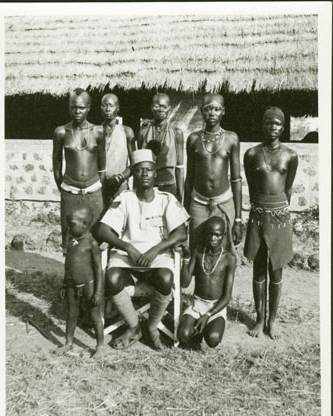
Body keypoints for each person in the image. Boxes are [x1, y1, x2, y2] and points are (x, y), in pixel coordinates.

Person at [97, 149, 189, 350]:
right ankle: (134, 326)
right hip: (128, 256)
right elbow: (103, 230)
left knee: (166, 278)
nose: (145, 174)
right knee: (112, 278)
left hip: (157, 256)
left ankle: (152, 325)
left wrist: (156, 249)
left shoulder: (166, 199)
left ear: (155, 174)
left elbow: (181, 233)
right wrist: (127, 246)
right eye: (139, 170)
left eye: (149, 170)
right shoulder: (126, 198)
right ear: (134, 175)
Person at [244, 106, 298, 339]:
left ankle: (272, 321)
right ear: (262, 125)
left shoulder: (290, 155)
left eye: (276, 124)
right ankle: (258, 319)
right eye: (268, 123)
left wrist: (278, 210)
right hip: (258, 213)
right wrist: (261, 208)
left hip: (279, 216)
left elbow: (287, 188)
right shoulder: (252, 154)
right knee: (258, 267)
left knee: (276, 270)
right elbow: (251, 183)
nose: (272, 127)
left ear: (283, 128)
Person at [184, 93, 242, 252]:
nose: (212, 113)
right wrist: (185, 214)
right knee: (196, 250)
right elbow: (189, 179)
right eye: (208, 109)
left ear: (223, 111)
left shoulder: (231, 138)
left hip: (223, 203)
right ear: (201, 111)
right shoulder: (193, 139)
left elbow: (236, 180)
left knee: (223, 252)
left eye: (217, 109)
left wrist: (237, 219)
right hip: (198, 203)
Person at [52, 88, 105, 252]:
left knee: (95, 236)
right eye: (73, 107)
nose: (77, 111)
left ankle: (93, 276)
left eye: (81, 107)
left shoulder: (98, 132)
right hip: (70, 190)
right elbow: (56, 161)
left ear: (89, 107)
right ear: (69, 107)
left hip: (93, 190)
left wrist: (96, 186)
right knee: (69, 237)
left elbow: (102, 165)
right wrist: (63, 186)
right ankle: (71, 275)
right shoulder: (61, 132)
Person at [178, 217, 236, 349]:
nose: (213, 238)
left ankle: (206, 327)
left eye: (217, 234)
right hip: (197, 304)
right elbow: (185, 283)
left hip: (216, 307)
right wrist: (186, 258)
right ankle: (198, 329)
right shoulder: (198, 252)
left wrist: (208, 315)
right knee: (183, 335)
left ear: (223, 235)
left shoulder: (229, 259)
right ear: (205, 234)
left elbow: (227, 297)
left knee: (213, 339)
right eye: (210, 234)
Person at [56, 205, 105, 359]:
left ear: (85, 224)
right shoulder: (71, 239)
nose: (69, 227)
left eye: (72, 224)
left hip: (88, 285)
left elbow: (98, 269)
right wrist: (65, 284)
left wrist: (98, 291)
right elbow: (67, 264)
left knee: (95, 315)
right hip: (71, 285)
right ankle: (68, 342)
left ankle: (100, 346)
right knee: (71, 314)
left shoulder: (91, 243)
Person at [138, 93, 184, 201]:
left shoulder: (176, 133)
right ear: (151, 108)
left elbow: (180, 168)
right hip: (148, 186)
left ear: (169, 109)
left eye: (164, 106)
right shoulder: (143, 132)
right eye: (157, 106)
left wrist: (180, 194)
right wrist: (137, 189)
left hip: (169, 186)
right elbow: (139, 165)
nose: (161, 109)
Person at [101, 93, 135, 207]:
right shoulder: (95, 132)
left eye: (111, 105)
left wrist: (120, 177)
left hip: (120, 187)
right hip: (99, 187)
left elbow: (135, 163)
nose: (107, 109)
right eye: (104, 105)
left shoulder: (126, 131)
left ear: (118, 108)